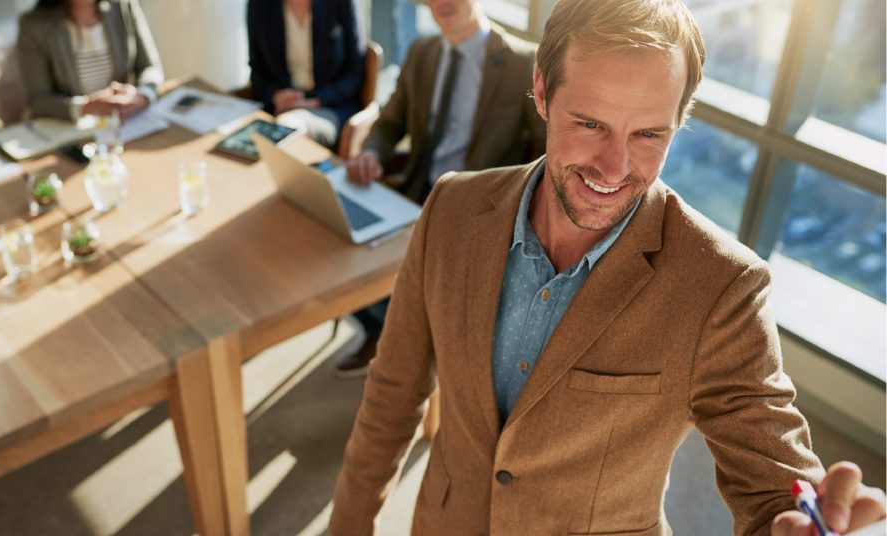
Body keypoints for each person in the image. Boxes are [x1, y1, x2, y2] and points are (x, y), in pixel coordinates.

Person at [330, 0, 886, 534]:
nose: (615, 167)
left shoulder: (723, 287)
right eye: (591, 124)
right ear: (543, 94)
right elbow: (393, 394)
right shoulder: (451, 208)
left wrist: (799, 526)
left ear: (679, 119)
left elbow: (776, 489)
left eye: (649, 134)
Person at [334, 0, 546, 375]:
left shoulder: (522, 63)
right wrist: (370, 153)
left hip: (481, 207)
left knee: (421, 278)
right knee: (337, 240)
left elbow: (545, 154)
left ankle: (406, 346)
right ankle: (386, 332)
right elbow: (389, 123)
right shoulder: (421, 52)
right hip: (417, 189)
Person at [246, 0, 366, 149]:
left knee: (286, 129)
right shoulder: (259, 5)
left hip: (329, 106)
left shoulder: (341, 3)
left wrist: (316, 100)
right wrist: (275, 95)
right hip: (279, 106)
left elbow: (355, 73)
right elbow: (257, 69)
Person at [17, 0, 163, 121]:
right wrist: (84, 107)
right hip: (73, 133)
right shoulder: (33, 25)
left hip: (124, 124)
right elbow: (38, 99)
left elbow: (150, 67)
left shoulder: (123, 5)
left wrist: (140, 96)